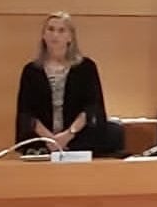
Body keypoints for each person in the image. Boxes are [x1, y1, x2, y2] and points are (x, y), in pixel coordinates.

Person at [15, 12, 121, 154]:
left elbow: (92, 107)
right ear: (43, 36)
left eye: (61, 30)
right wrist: (50, 140)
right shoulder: (32, 71)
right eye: (50, 29)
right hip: (42, 144)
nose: (55, 35)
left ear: (70, 37)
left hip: (79, 141)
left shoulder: (85, 67)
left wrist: (68, 135)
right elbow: (26, 113)